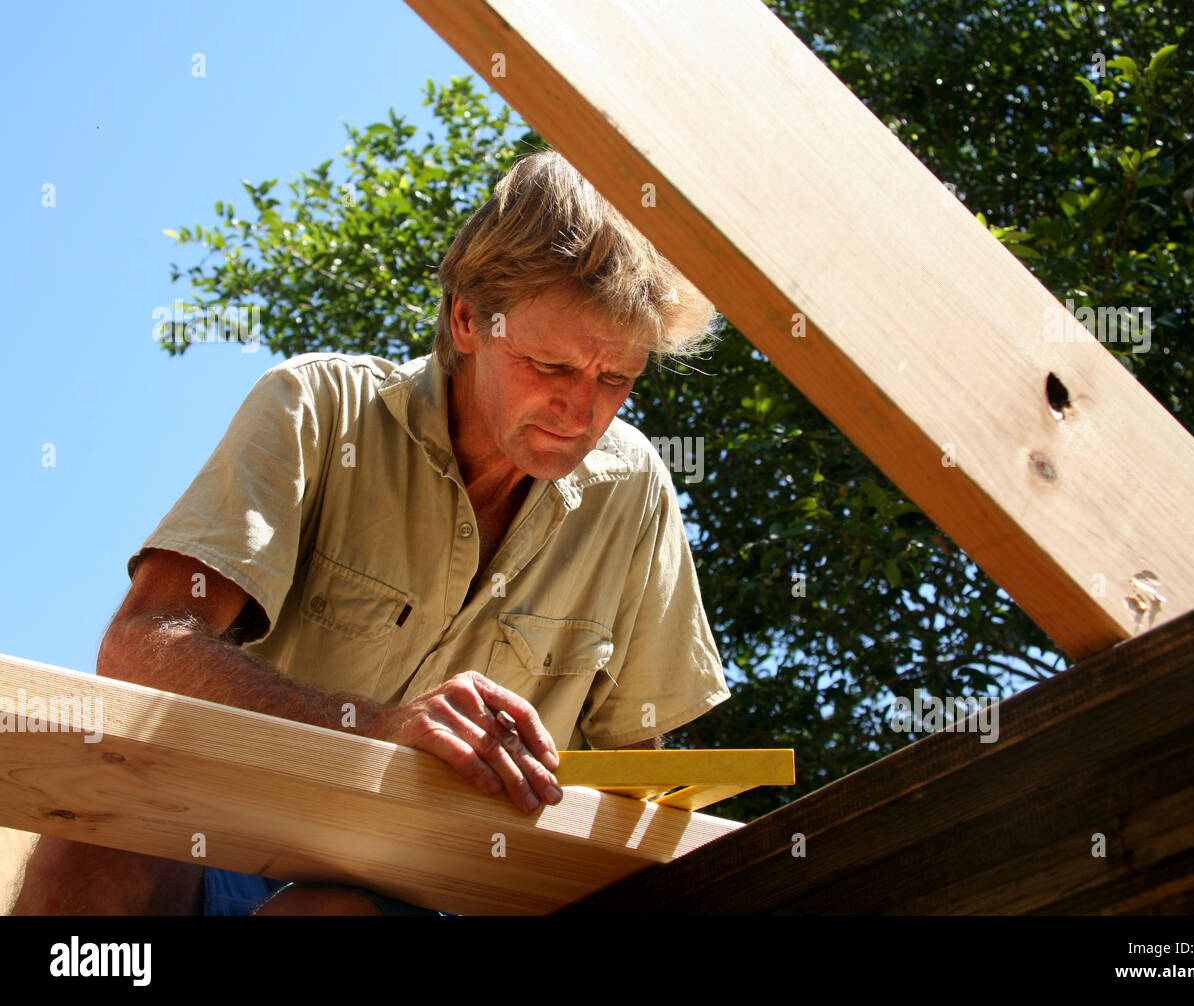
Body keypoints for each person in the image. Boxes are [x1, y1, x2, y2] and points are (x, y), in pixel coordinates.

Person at [14, 150, 729, 916]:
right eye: (549, 365)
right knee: (94, 844)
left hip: (441, 894)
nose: (581, 412)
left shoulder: (635, 491)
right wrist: (378, 729)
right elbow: (143, 643)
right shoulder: (316, 410)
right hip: (224, 843)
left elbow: (638, 772)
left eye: (616, 379)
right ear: (466, 320)